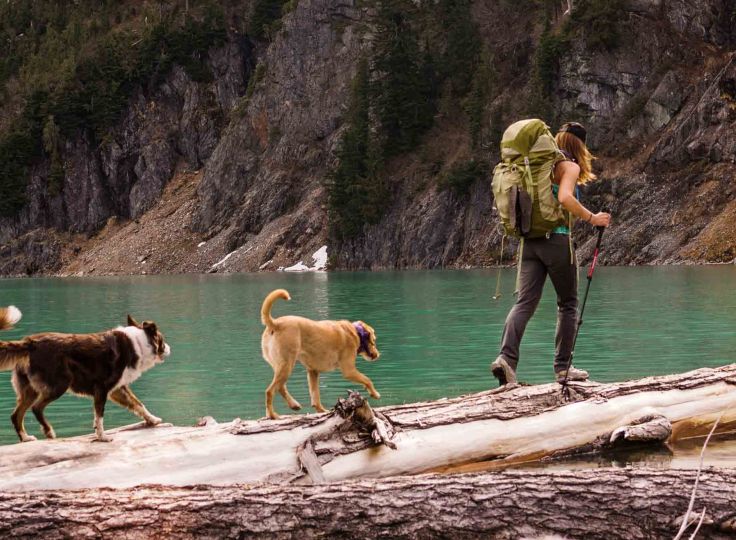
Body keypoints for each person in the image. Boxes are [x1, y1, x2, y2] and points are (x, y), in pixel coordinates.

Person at [491, 122, 611, 385]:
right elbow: (565, 198)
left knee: (524, 303)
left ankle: (506, 359)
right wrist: (593, 218)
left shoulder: (538, 166)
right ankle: (563, 368)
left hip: (529, 242)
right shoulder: (568, 166)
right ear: (580, 146)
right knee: (567, 304)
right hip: (556, 241)